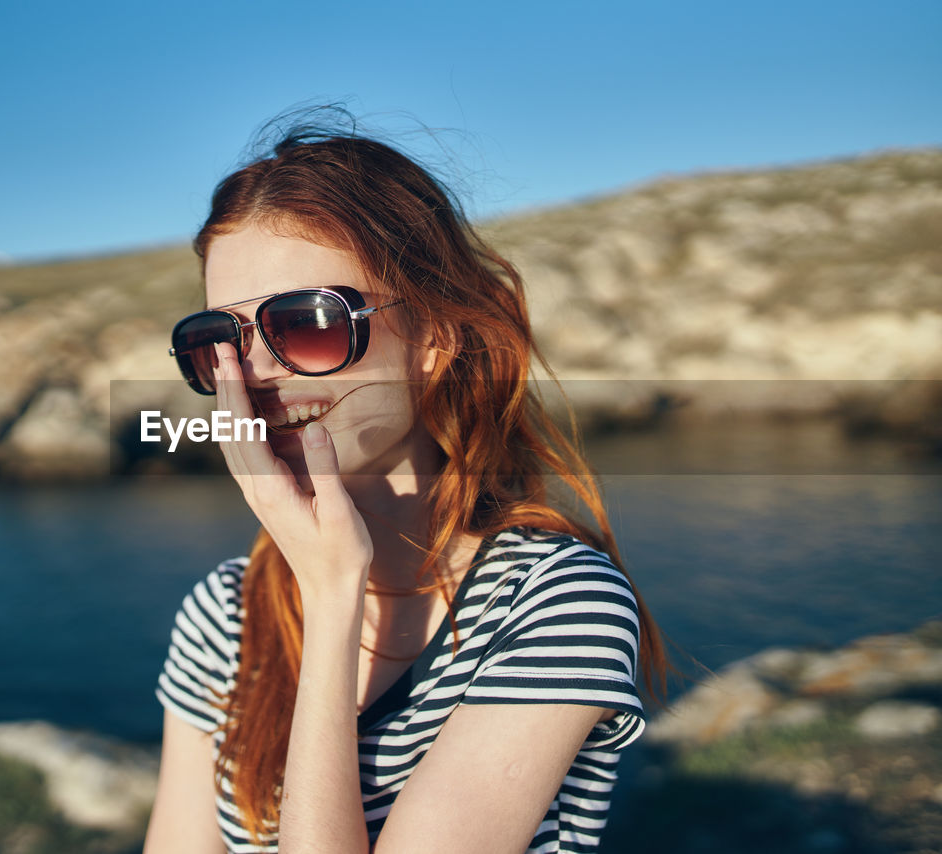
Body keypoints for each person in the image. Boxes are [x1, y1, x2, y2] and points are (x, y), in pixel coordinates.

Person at [143, 117, 667, 854]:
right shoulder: (224, 614)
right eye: (219, 342)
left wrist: (332, 596)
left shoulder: (554, 604)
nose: (256, 375)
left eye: (308, 323)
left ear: (433, 341)